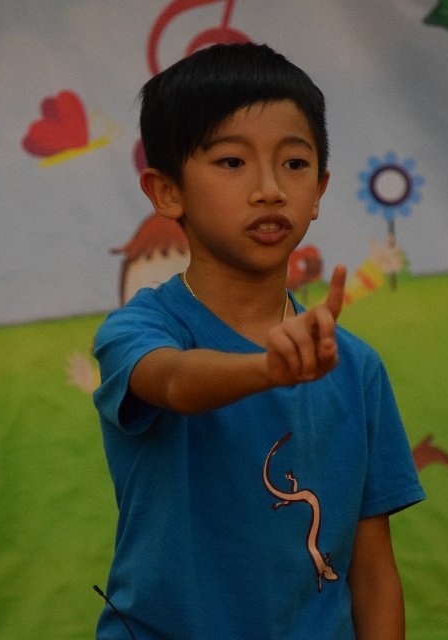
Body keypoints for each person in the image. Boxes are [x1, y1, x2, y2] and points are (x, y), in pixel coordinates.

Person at [92, 43, 424, 639]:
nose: (269, 189)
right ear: (166, 191)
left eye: (294, 163)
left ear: (319, 190)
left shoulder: (356, 367)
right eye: (231, 162)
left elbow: (374, 574)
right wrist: (266, 369)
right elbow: (176, 382)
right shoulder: (137, 331)